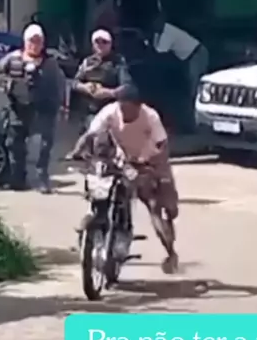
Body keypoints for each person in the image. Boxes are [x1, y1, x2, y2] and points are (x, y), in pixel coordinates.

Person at [67, 83, 179, 273]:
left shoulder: (150, 117)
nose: (124, 113)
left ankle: (170, 252)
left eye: (128, 109)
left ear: (138, 105)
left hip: (150, 161)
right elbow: (90, 135)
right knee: (101, 190)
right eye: (121, 107)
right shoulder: (110, 112)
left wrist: (149, 164)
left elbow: (162, 146)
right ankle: (94, 235)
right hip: (123, 161)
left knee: (155, 206)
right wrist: (76, 152)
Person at [0, 23, 66, 193]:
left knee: (43, 147)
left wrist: (61, 106)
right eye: (31, 41)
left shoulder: (50, 63)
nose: (34, 45)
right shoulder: (12, 59)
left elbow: (60, 85)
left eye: (38, 41)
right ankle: (18, 179)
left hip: (43, 110)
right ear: (25, 41)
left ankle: (42, 180)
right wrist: (10, 84)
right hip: (18, 109)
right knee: (15, 145)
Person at [72, 29, 134, 130]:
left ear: (110, 44)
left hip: (108, 112)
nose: (100, 45)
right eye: (97, 42)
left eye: (104, 42)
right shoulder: (87, 62)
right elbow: (74, 83)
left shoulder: (118, 62)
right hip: (88, 112)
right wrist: (85, 87)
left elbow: (127, 87)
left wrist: (109, 93)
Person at [153, 15, 209, 124]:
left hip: (197, 54)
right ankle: (190, 119)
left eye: (155, 22)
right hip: (187, 58)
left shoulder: (168, 31)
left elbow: (160, 51)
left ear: (161, 21)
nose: (154, 25)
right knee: (189, 87)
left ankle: (196, 121)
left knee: (195, 88)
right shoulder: (158, 33)